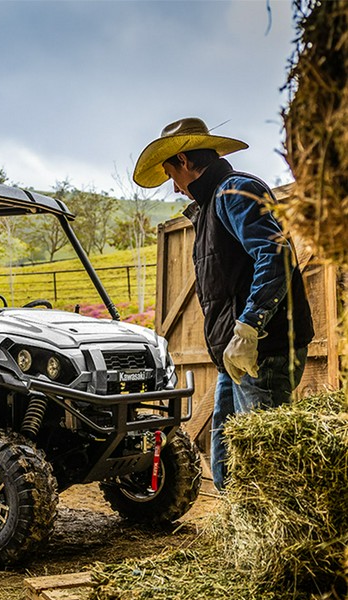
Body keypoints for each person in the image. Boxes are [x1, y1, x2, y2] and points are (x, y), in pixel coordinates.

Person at [133, 118, 315, 492]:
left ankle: (273, 545)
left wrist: (250, 326)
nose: (174, 187)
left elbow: (275, 253)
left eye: (171, 173)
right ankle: (240, 541)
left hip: (262, 351)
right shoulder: (211, 206)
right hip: (234, 358)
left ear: (183, 160)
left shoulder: (235, 191)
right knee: (227, 463)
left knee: (265, 466)